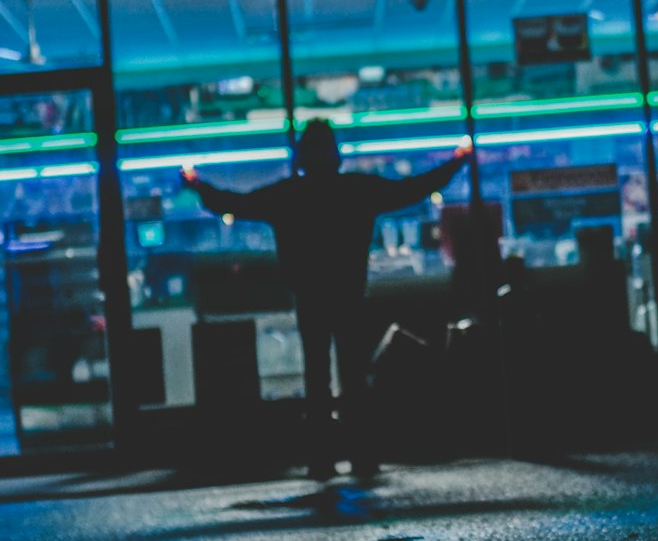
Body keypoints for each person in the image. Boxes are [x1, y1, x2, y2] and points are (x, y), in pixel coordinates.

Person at [181, 118, 470, 478]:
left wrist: (195, 185)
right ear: (337, 156)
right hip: (349, 293)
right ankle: (363, 456)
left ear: (301, 158)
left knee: (317, 378)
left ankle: (322, 459)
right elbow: (413, 189)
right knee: (354, 375)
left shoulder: (288, 196)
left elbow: (234, 204)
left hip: (310, 295)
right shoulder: (357, 190)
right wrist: (457, 161)